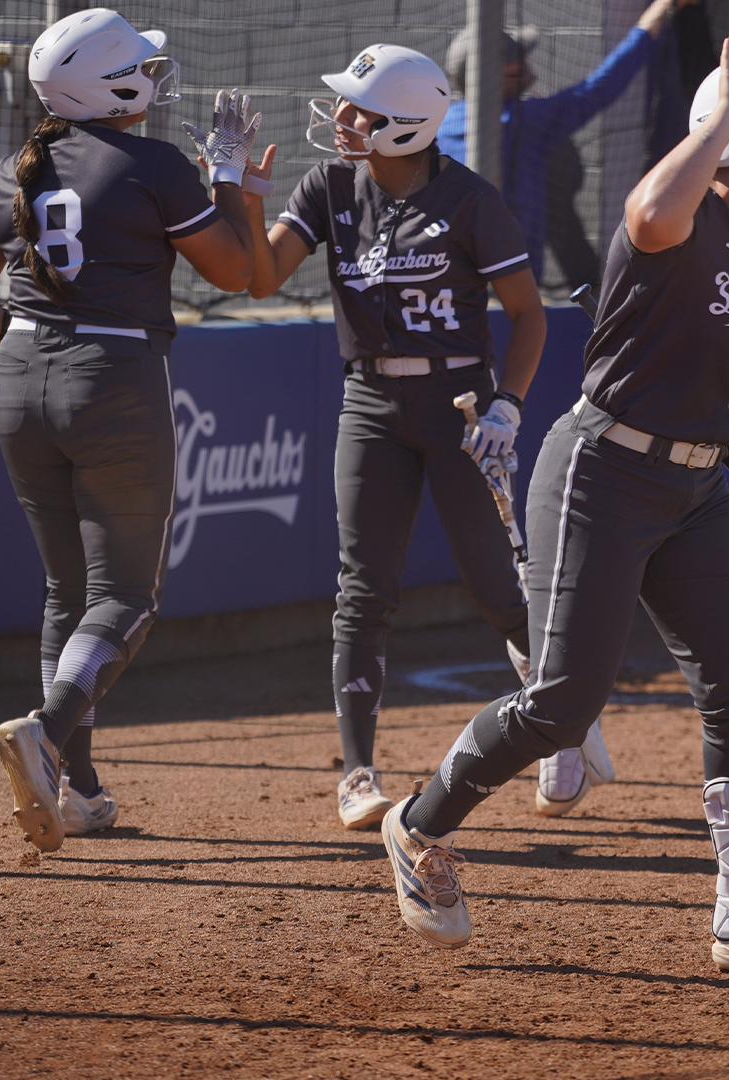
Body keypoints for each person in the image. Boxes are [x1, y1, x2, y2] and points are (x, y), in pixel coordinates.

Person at [375, 32, 729, 983]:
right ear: (726, 129)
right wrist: (721, 118)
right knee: (562, 704)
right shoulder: (679, 212)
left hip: (696, 487)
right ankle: (417, 826)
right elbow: (647, 207)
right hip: (603, 472)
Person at [0, 8, 256, 850]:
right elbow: (233, 270)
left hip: (16, 378)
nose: (154, 80)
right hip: (113, 379)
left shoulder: (8, 168)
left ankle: (76, 788)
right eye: (142, 70)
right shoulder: (151, 164)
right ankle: (45, 735)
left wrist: (37, 333)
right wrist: (225, 174)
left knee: (66, 593)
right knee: (125, 598)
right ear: (107, 85)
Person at [237, 44, 547, 830]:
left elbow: (529, 315)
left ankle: (561, 717)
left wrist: (510, 403)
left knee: (494, 588)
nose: (341, 119)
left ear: (407, 124)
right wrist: (245, 192)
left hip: (462, 408)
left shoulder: (472, 200)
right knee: (363, 591)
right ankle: (357, 772)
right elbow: (259, 277)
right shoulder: (329, 185)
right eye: (344, 105)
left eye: (359, 109)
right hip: (369, 402)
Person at [436, 0, 697, 277]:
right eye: (520, 60)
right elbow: (600, 88)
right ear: (501, 72)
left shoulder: (438, 126)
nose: (528, 65)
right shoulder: (525, 120)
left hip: (446, 275)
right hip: (509, 280)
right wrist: (662, 7)